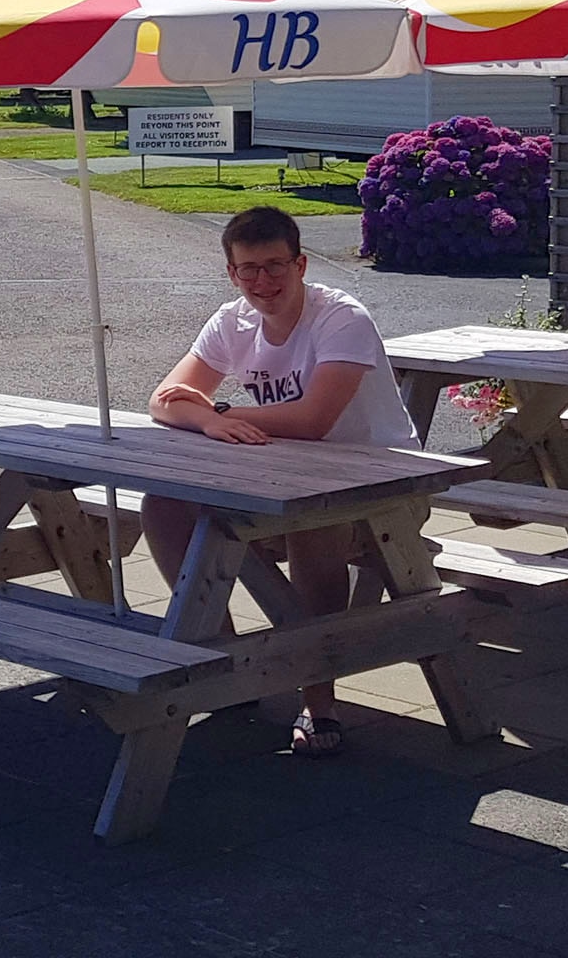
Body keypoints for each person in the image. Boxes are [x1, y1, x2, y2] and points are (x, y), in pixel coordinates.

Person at [143, 204, 415, 759]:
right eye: (249, 270)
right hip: (278, 479)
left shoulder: (342, 317)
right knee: (164, 503)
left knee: (312, 530)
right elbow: (164, 400)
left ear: (301, 265)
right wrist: (210, 418)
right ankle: (222, 662)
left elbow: (314, 421)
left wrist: (215, 412)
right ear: (231, 273)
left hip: (383, 484)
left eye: (275, 266)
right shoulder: (229, 321)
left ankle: (319, 701)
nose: (263, 281)